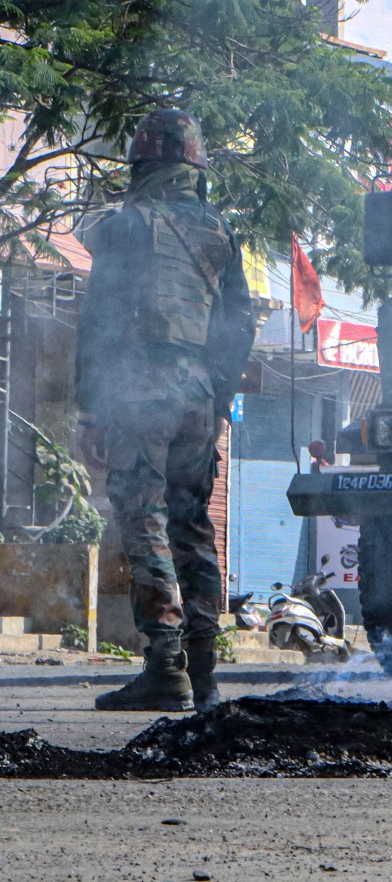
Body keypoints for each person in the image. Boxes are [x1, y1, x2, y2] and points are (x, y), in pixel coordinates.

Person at [76, 109, 257, 712]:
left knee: (143, 518)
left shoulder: (128, 225)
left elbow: (100, 321)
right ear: (195, 167)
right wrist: (220, 394)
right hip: (199, 394)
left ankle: (164, 664)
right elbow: (239, 325)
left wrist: (92, 410)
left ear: (142, 165)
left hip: (142, 383)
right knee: (192, 524)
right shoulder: (220, 233)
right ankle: (204, 672)